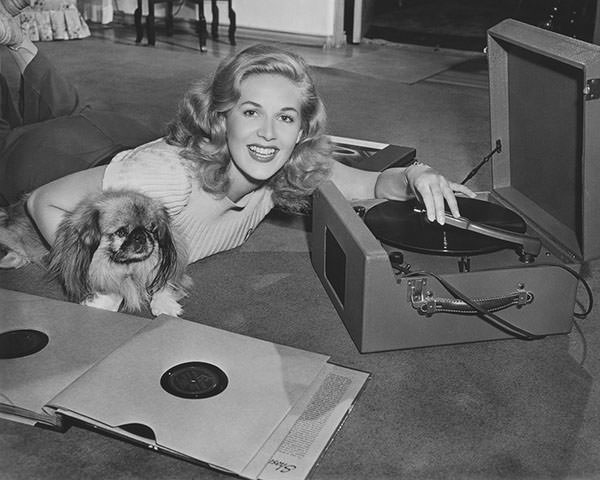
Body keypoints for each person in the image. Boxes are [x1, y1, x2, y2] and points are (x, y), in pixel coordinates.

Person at [3, 8, 474, 267]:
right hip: (49, 162)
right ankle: (16, 43)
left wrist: (417, 174)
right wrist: (102, 282)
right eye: (252, 112)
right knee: (26, 136)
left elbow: (372, 186)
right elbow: (44, 201)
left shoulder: (285, 165)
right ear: (222, 116)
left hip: (117, 141)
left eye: (286, 118)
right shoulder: (168, 182)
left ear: (301, 131)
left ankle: (19, 44)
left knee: (72, 113)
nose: (269, 134)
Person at [0, 2, 157, 206]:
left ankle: (15, 38)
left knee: (13, 145)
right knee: (66, 111)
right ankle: (15, 37)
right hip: (117, 146)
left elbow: (41, 205)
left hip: (87, 163)